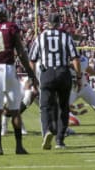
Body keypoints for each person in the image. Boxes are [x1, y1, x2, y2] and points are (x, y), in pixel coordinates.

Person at [0, 5, 38, 155]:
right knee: (15, 110)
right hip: (9, 69)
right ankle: (19, 147)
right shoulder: (10, 27)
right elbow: (22, 53)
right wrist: (30, 73)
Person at [29, 12, 81, 150]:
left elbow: (32, 60)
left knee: (45, 106)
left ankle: (47, 131)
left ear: (48, 23)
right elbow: (75, 58)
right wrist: (79, 77)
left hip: (47, 73)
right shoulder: (65, 37)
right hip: (63, 72)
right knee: (63, 107)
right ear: (59, 24)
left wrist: (32, 77)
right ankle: (59, 140)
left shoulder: (40, 37)